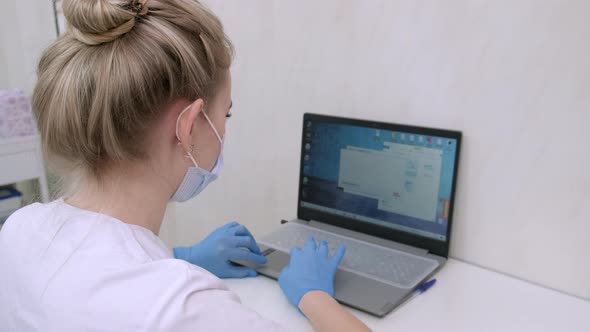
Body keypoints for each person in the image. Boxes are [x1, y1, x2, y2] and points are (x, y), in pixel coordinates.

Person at [0, 0, 371, 331]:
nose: (225, 127)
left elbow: (90, 278)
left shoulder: (19, 229)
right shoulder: (182, 308)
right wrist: (314, 296)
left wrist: (182, 255)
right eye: (225, 113)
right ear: (189, 127)